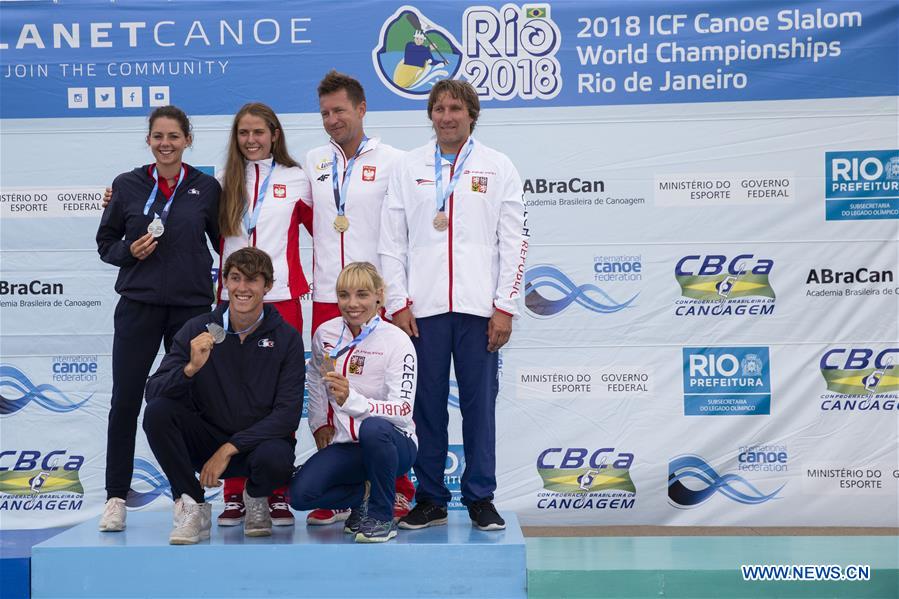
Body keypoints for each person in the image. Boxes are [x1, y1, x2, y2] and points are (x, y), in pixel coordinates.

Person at [379, 80, 528, 531]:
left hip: (479, 309)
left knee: (480, 407)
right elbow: (392, 240)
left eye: (455, 108)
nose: (446, 116)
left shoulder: (497, 166)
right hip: (421, 311)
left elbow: (515, 241)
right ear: (431, 115)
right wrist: (398, 302)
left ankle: (481, 496)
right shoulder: (409, 166)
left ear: (472, 114)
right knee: (425, 405)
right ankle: (430, 497)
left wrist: (505, 306)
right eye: (439, 108)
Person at [96, 105, 221, 532]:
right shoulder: (127, 185)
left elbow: (227, 241)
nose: (165, 144)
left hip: (190, 309)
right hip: (138, 306)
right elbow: (105, 243)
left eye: (173, 136)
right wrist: (127, 252)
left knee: (181, 401)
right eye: (157, 136)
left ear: (188, 140)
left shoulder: (206, 188)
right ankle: (115, 496)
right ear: (148, 140)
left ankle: (188, 497)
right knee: (125, 401)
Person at [301, 70, 415, 526]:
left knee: (384, 390)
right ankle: (341, 489)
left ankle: (400, 487)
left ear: (362, 109)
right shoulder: (311, 161)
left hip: (377, 295)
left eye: (340, 111)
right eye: (325, 113)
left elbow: (409, 228)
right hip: (330, 293)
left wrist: (401, 298)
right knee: (328, 388)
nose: (332, 120)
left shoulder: (396, 161)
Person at [142, 247, 305, 544]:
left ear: (267, 286)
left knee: (278, 457)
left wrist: (229, 448)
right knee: (158, 413)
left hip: (258, 447)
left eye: (252, 280)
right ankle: (192, 505)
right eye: (235, 278)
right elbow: (153, 392)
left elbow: (288, 414)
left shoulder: (287, 338)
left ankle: (256, 497)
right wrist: (190, 369)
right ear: (225, 284)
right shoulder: (197, 329)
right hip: (207, 441)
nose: (242, 288)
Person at [215, 102, 313, 528]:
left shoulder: (297, 179)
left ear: (274, 133)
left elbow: (333, 228)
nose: (251, 140)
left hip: (283, 300)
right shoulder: (223, 183)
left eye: (258, 132)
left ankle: (274, 490)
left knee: (281, 399)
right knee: (229, 397)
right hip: (232, 300)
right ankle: (234, 493)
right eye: (243, 133)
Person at [289, 262, 417, 543]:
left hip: (395, 443)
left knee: (374, 428)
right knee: (299, 495)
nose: (352, 303)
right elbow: (315, 378)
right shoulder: (326, 333)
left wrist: (353, 400)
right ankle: (364, 497)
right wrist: (320, 421)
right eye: (344, 295)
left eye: (362, 294)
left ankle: (382, 518)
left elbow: (403, 409)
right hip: (348, 445)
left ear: (378, 296)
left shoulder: (397, 340)